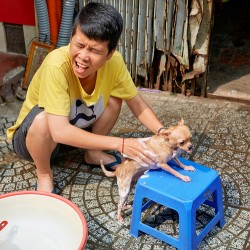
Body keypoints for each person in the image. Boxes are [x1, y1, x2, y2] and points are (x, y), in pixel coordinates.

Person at [7, 2, 166, 193]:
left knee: (115, 99)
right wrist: (120, 144)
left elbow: (137, 104)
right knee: (42, 120)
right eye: (79, 45)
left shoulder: (114, 62)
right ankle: (44, 174)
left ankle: (93, 153)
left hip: (70, 137)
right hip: (34, 141)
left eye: (95, 51)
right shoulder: (56, 65)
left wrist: (163, 132)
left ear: (110, 53)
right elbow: (58, 132)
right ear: (72, 37)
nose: (83, 56)